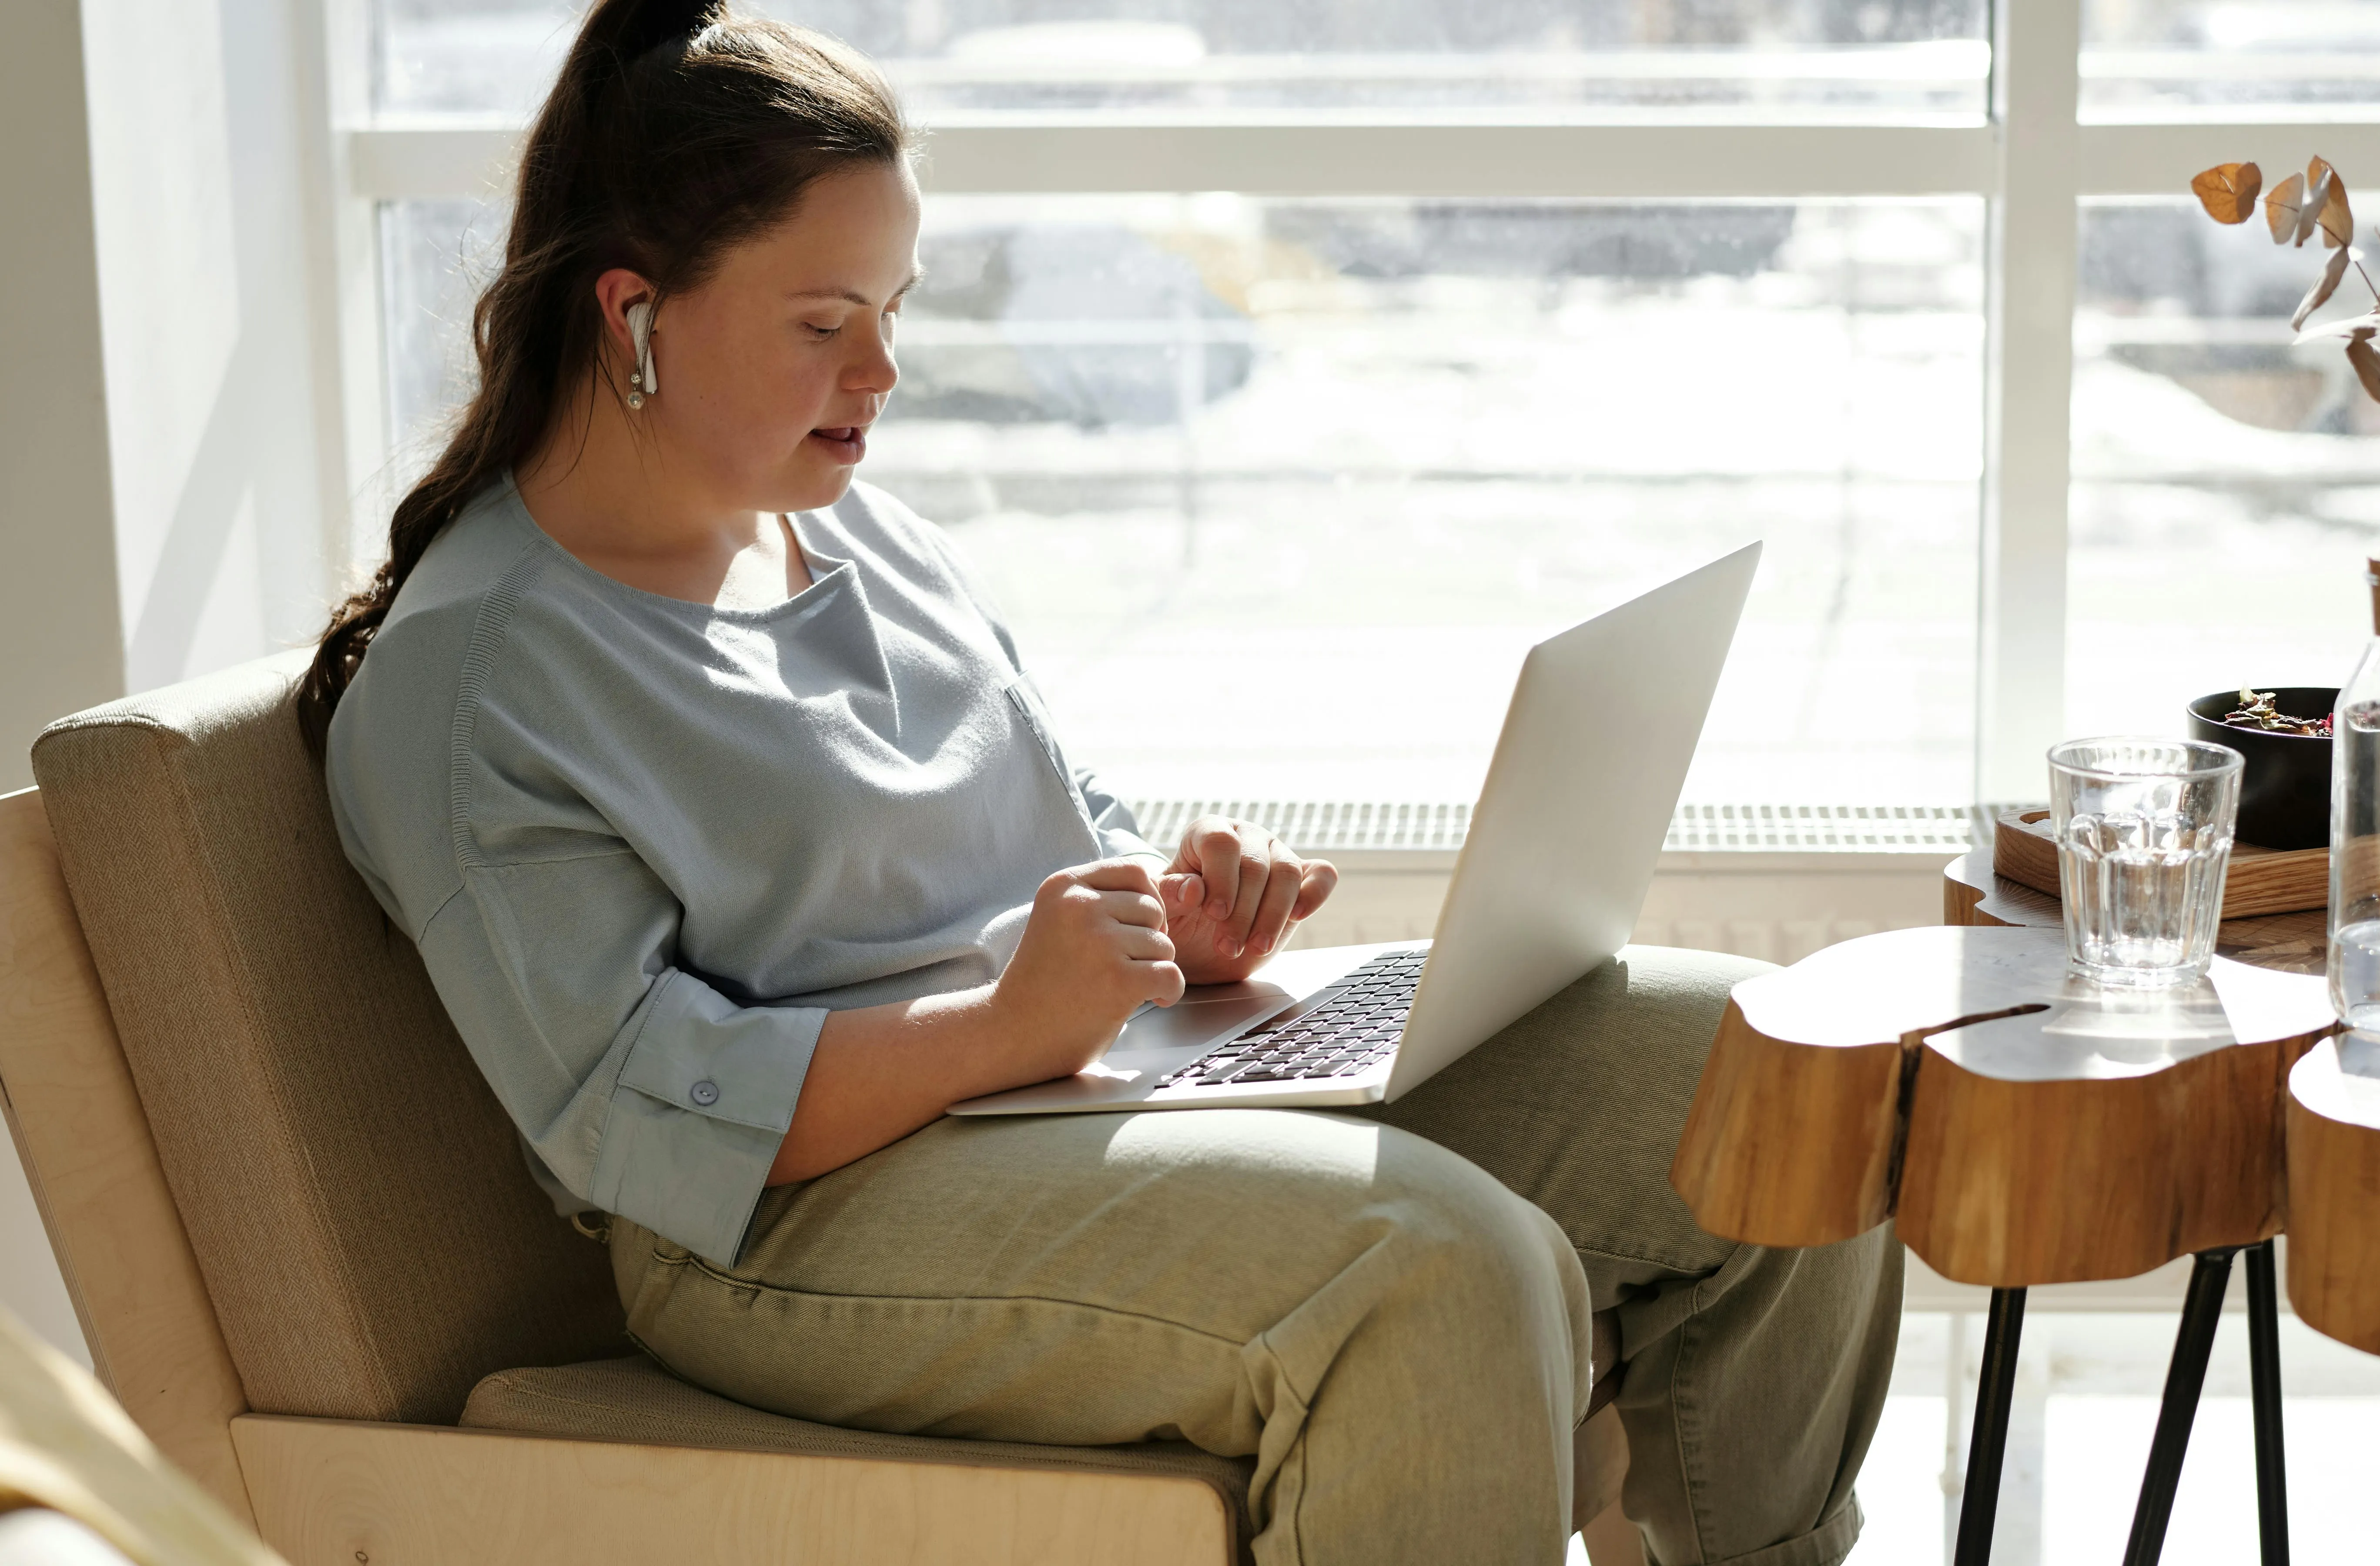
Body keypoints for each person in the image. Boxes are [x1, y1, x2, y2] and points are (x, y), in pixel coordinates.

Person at [306, 2, 1901, 1560]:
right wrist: (1003, 1029)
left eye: (893, 308)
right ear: (631, 313)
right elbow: (637, 1122)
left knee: (1780, 1075)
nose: (882, 373)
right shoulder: (474, 685)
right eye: (822, 322)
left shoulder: (847, 521)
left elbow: (1056, 832)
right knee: (1438, 1267)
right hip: (796, 1228)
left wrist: (1169, 924)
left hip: (1093, 1081)